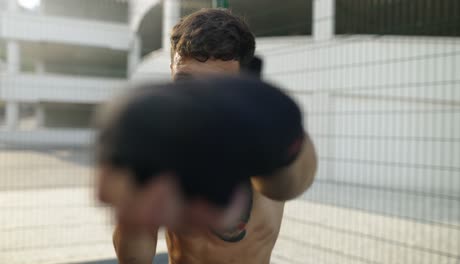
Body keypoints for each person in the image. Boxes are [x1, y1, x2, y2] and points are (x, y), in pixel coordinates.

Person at [96, 9, 317, 264]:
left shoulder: (266, 137)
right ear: (171, 71)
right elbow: (135, 254)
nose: (199, 99)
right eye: (186, 82)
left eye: (217, 87)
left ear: (245, 83)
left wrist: (282, 136)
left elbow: (291, 181)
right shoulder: (164, 144)